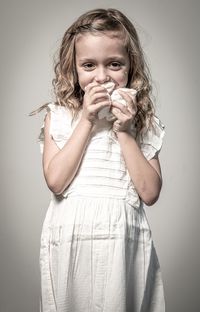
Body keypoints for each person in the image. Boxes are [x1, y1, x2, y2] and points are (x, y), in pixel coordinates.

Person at [37, 8, 165, 312]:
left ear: (131, 67)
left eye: (115, 64)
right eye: (89, 65)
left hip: (123, 246)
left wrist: (125, 131)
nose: (102, 76)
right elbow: (56, 182)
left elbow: (150, 193)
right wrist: (87, 120)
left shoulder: (144, 122)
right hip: (70, 245)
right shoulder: (60, 116)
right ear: (75, 69)